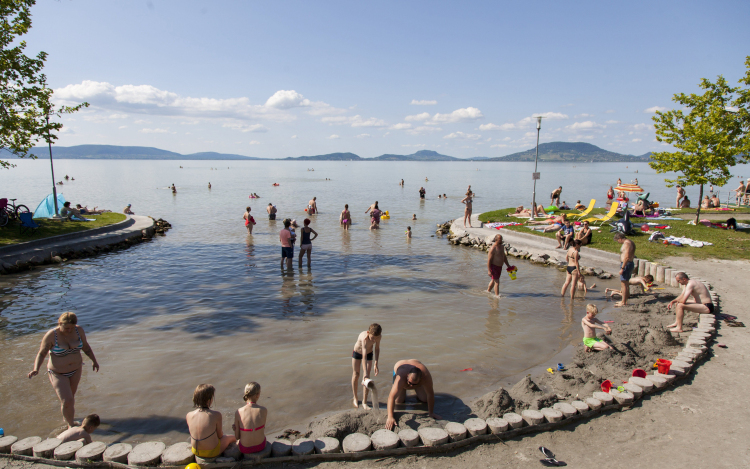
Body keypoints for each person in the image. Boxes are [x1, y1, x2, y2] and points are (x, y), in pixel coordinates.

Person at [28, 312, 99, 428]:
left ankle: (67, 418)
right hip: (57, 372)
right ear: (59, 323)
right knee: (67, 400)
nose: (69, 331)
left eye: (71, 328)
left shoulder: (78, 330)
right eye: (66, 328)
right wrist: (36, 369)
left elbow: (86, 346)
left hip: (76, 369)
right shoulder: (51, 335)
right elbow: (42, 353)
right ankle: (71, 426)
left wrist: (94, 361)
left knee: (70, 399)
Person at [386, 360, 440, 430]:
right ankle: (403, 387)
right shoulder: (401, 376)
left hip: (416, 370)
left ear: (421, 379)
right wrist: (390, 416)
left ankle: (415, 388)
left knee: (424, 399)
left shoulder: (426, 376)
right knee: (399, 401)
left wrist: (431, 412)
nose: (411, 386)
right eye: (410, 383)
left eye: (414, 384)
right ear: (407, 375)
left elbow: (430, 394)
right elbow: (391, 397)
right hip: (400, 368)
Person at [187, 384, 235, 459]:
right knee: (231, 437)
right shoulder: (216, 415)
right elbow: (220, 436)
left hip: (195, 450)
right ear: (209, 400)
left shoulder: (189, 415)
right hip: (211, 452)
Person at [351, 324, 382, 409]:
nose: (374, 340)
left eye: (376, 338)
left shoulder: (378, 337)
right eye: (372, 338)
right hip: (357, 353)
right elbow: (363, 356)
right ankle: (355, 397)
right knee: (356, 374)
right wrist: (364, 372)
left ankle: (364, 402)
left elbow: (377, 349)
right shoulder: (364, 338)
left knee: (367, 378)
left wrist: (376, 363)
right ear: (368, 333)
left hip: (369, 353)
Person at [233, 383, 267, 455]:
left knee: (236, 441)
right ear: (258, 395)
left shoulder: (238, 412)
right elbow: (262, 429)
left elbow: (237, 437)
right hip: (261, 446)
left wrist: (236, 429)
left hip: (245, 449)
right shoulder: (264, 410)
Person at [614, 233, 636, 307]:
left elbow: (626, 257)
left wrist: (622, 268)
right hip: (629, 263)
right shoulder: (630, 242)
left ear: (620, 238)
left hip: (626, 264)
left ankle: (623, 302)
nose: (618, 242)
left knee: (624, 283)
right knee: (626, 283)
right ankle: (624, 300)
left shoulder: (627, 244)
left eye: (618, 240)